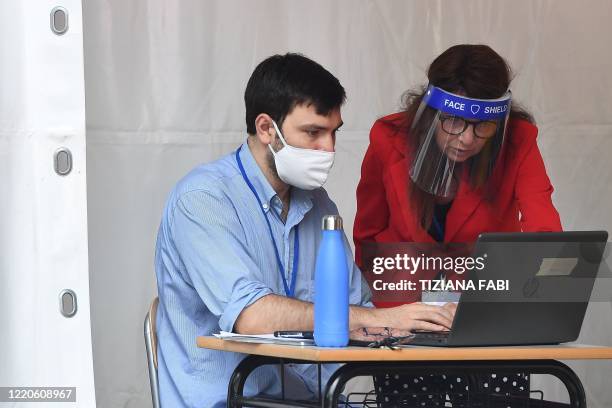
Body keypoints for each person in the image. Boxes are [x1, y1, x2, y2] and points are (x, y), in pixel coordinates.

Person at [154, 53, 455, 407]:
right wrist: (377, 317)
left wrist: (424, 322)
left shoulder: (320, 206)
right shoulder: (203, 199)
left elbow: (357, 309)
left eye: (333, 133)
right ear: (267, 129)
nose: (328, 148)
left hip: (311, 401)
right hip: (231, 400)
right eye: (313, 132)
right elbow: (253, 317)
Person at [354, 44, 562, 405]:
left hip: (489, 307)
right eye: (452, 122)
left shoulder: (519, 139)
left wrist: (533, 302)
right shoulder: (388, 137)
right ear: (430, 113)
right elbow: (369, 235)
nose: (466, 138)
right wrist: (378, 313)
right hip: (403, 310)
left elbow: (544, 234)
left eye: (483, 126)